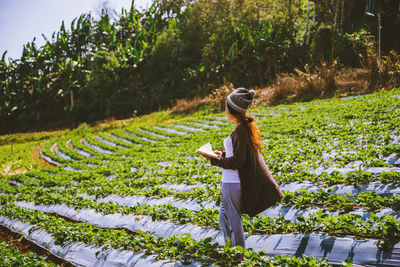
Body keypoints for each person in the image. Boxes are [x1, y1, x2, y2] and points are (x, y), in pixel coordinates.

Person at [202, 87, 284, 250]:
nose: (225, 109)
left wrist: (214, 159)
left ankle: (238, 256)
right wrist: (222, 154)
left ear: (231, 109)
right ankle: (232, 250)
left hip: (232, 184)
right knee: (224, 219)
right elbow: (239, 155)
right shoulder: (242, 128)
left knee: (233, 222)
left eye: (226, 106)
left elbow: (238, 162)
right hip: (230, 182)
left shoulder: (240, 130)